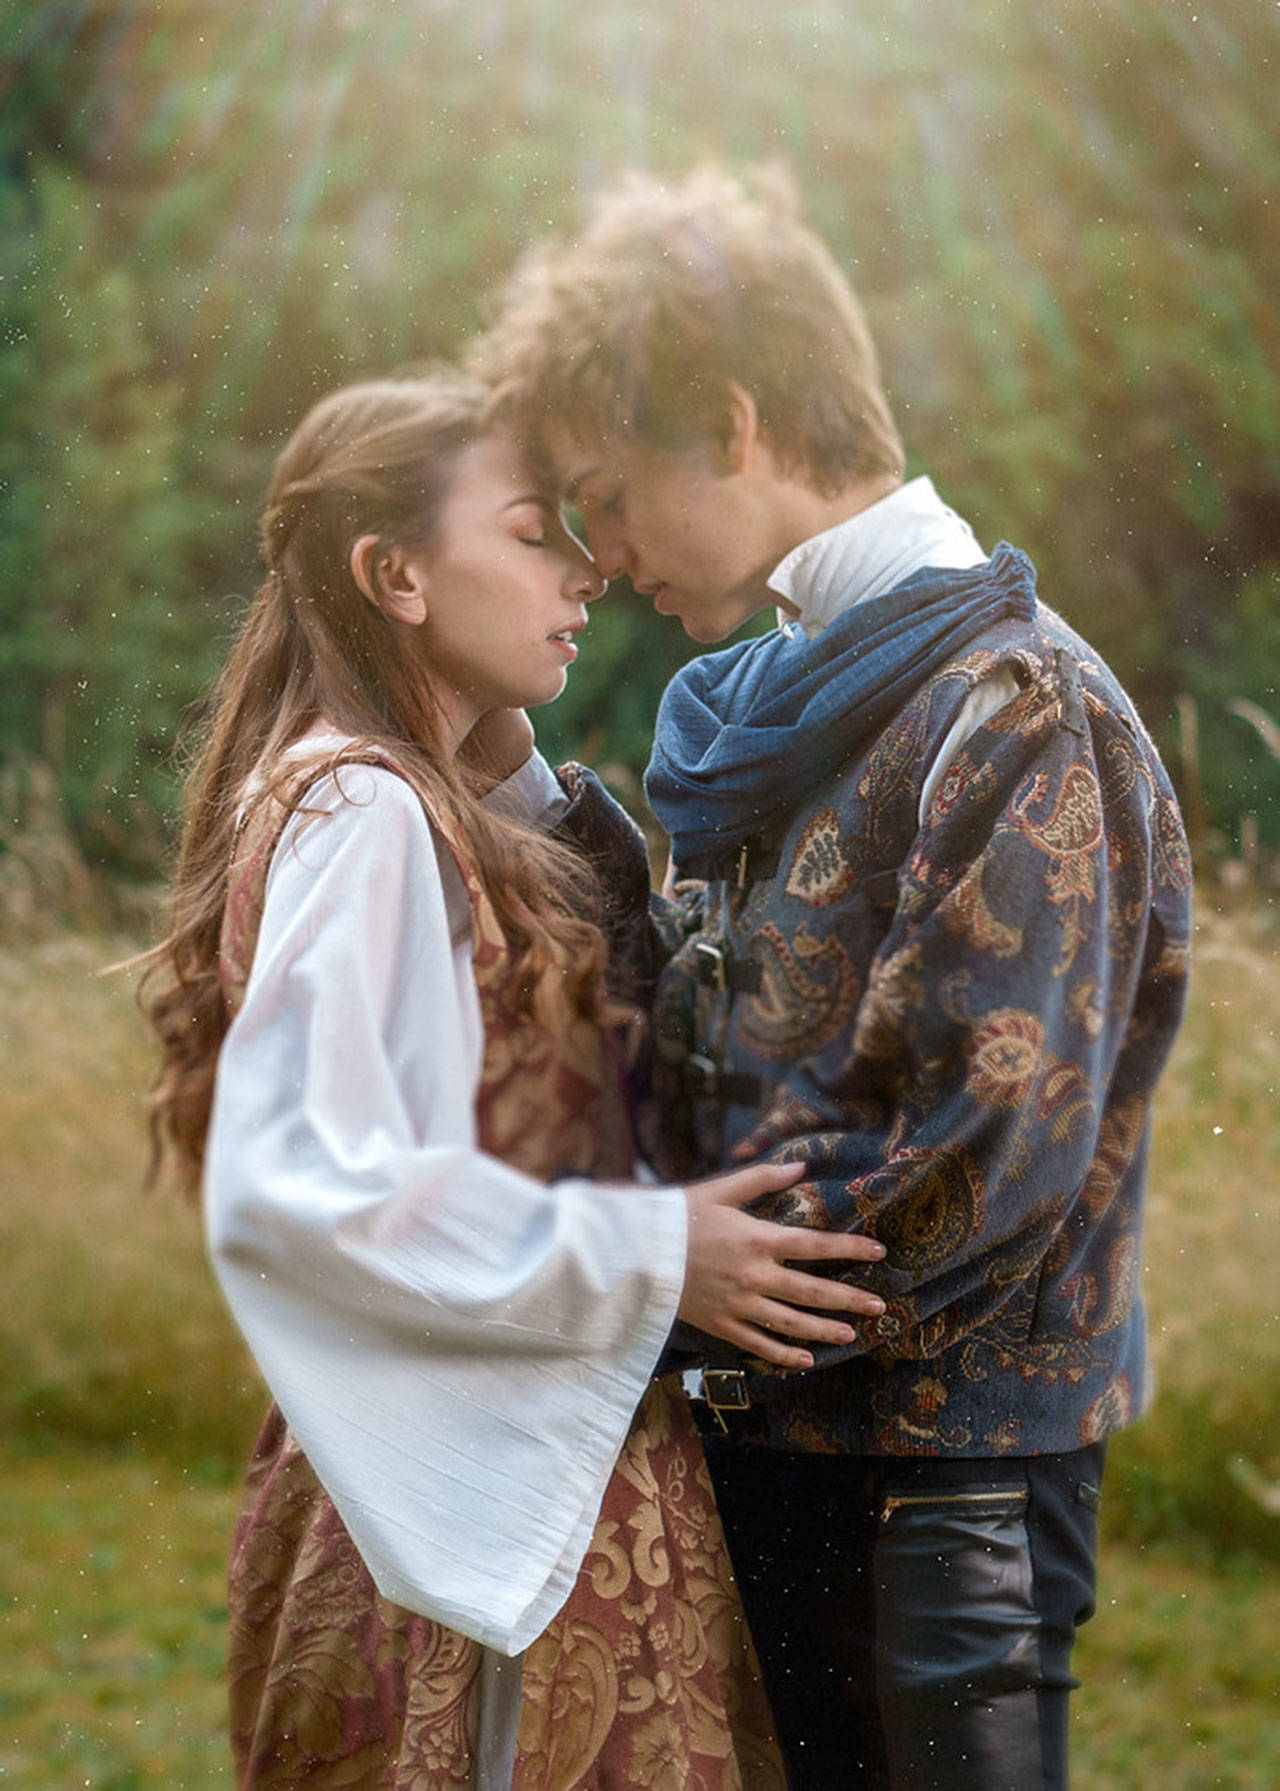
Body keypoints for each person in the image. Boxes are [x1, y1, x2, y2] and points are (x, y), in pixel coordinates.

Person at [472, 165, 1194, 1790]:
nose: (601, 552)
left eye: (609, 491)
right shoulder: (790, 701)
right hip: (761, 1458)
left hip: (943, 1502)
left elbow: (977, 1147)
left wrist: (645, 1286)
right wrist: (511, 789)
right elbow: (706, 1024)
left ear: (732, 425)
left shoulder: (1015, 710)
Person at [138, 370, 892, 1789]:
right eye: (538, 531)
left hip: (530, 1452)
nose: (592, 568)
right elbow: (302, 1185)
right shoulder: (360, 808)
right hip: (472, 1523)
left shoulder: (404, 794)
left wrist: (498, 754)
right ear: (397, 574)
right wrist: (654, 1254)